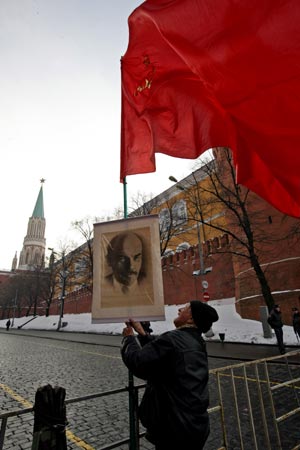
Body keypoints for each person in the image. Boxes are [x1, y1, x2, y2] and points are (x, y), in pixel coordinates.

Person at [121, 300, 219, 450]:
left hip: (174, 430)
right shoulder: (195, 341)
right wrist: (143, 334)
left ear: (191, 319)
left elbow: (139, 362)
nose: (179, 310)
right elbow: (165, 355)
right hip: (194, 426)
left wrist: (129, 339)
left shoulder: (174, 339)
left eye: (185, 308)